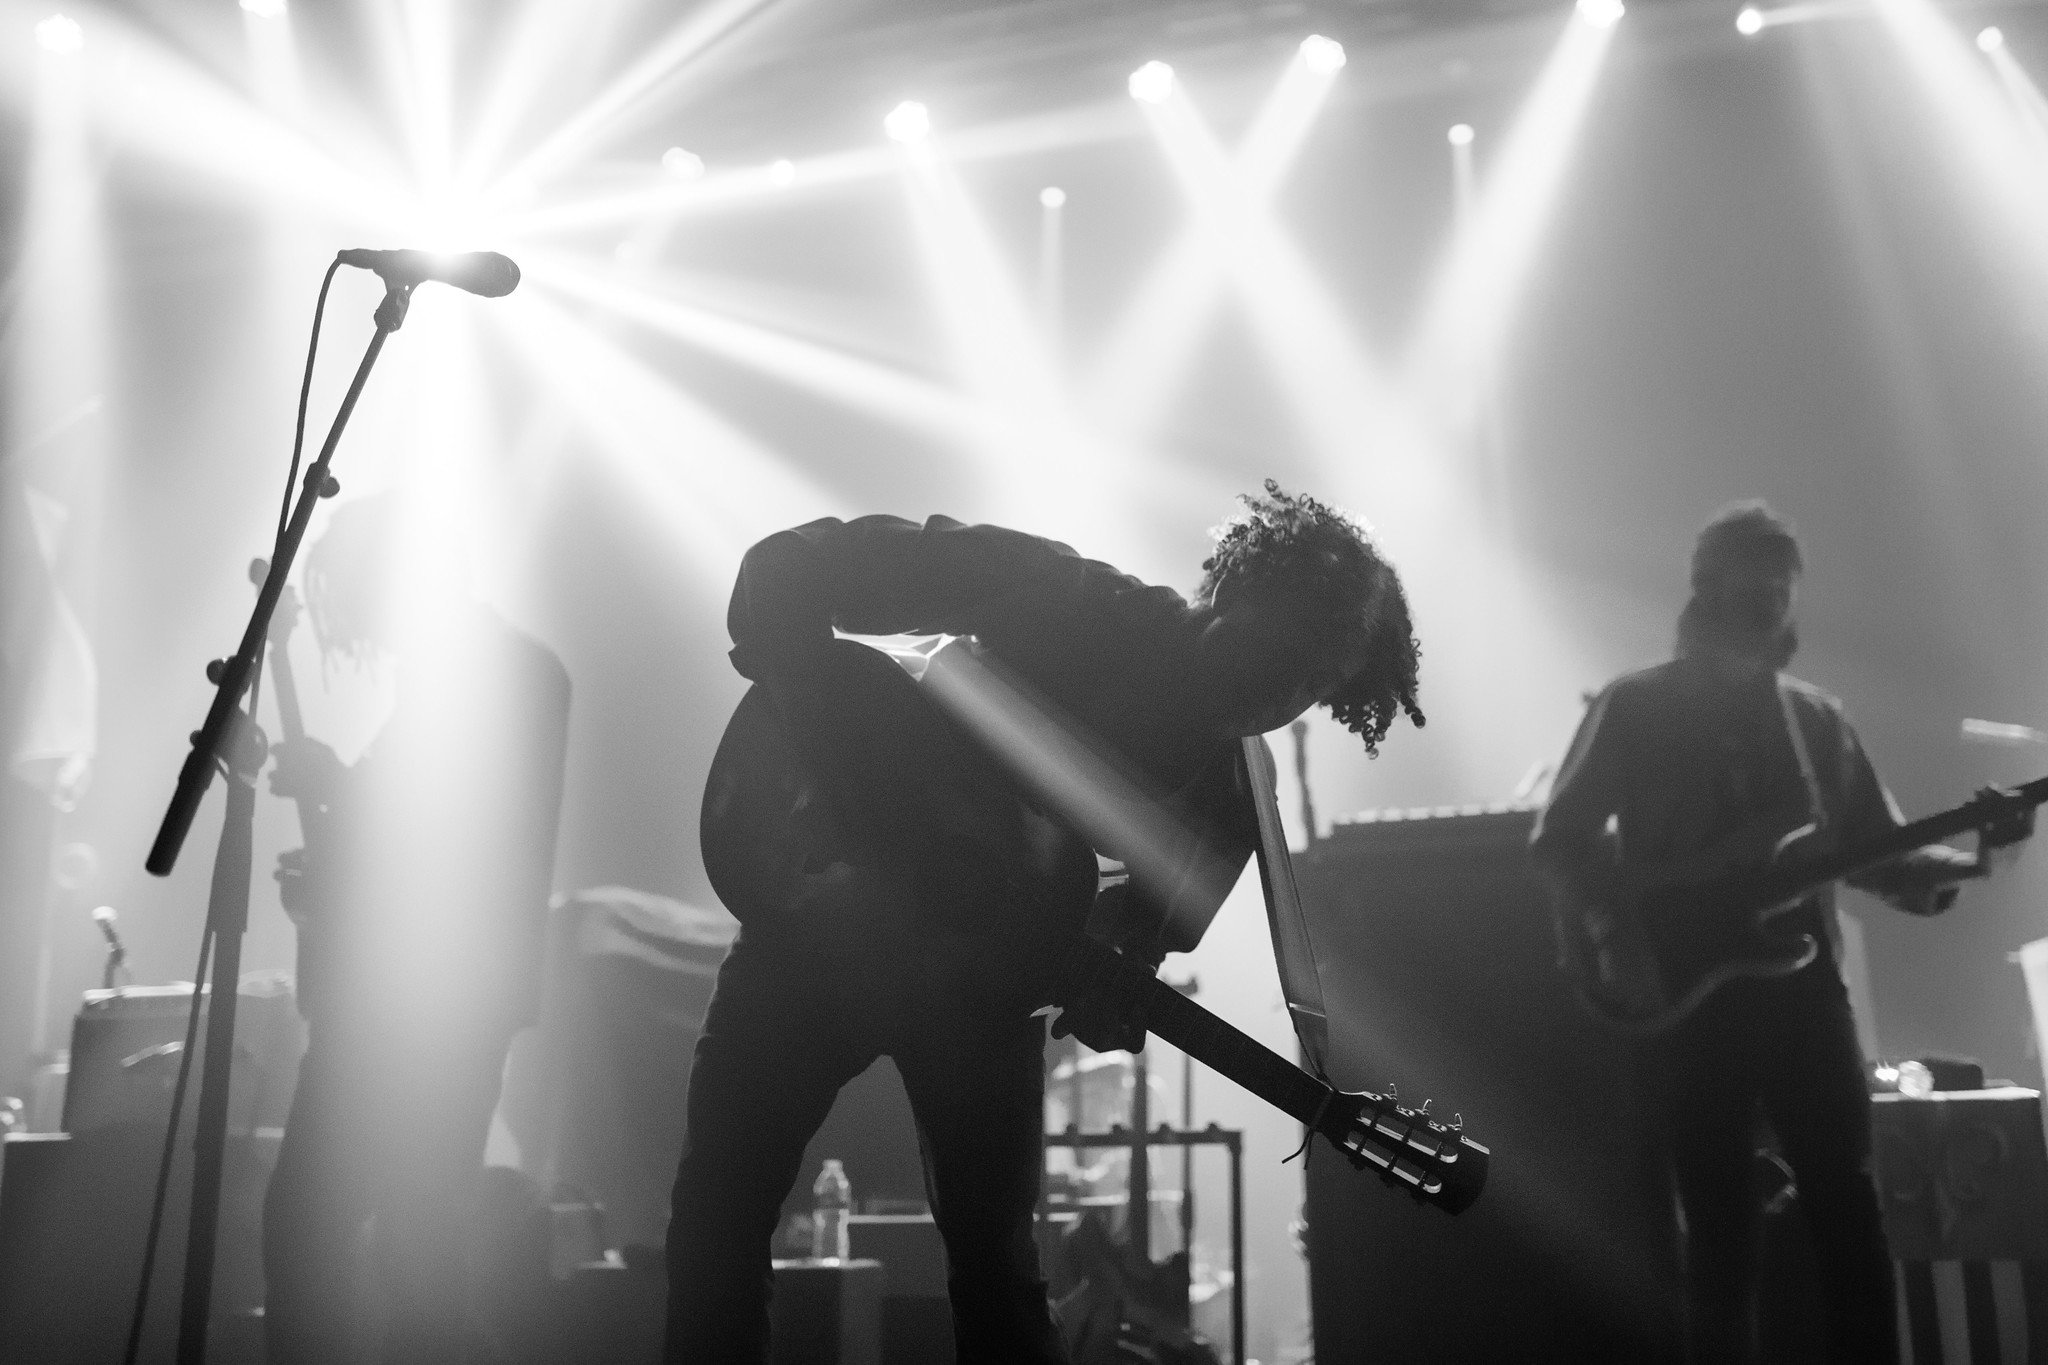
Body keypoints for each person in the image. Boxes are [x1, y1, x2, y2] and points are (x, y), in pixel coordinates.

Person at [667, 482, 1424, 1363]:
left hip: (974, 1002)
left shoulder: (1232, 802)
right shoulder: (1069, 599)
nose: (1276, 691)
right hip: (820, 932)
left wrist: (1109, 997)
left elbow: (1120, 954)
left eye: (1311, 683)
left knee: (1000, 1276)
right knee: (718, 1223)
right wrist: (849, 761)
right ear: (1230, 588)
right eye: (1275, 649)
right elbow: (786, 569)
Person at [1529, 502, 2030, 1364]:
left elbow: (1884, 858)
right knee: (1721, 1231)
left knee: (1853, 1216)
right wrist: (1619, 939)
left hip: (1806, 998)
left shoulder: (1816, 721)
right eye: (1751, 590)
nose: (1768, 608)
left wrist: (1984, 858)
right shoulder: (1636, 707)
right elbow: (1560, 842)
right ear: (1705, 589)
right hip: (1691, 1005)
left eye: (1780, 592)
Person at [262, 495, 571, 1365]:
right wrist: (332, 873)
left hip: (436, 1013)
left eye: (360, 595)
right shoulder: (455, 675)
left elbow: (460, 829)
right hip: (398, 1007)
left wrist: (339, 791)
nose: (361, 627)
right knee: (392, 1246)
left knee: (390, 1246)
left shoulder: (508, 674)